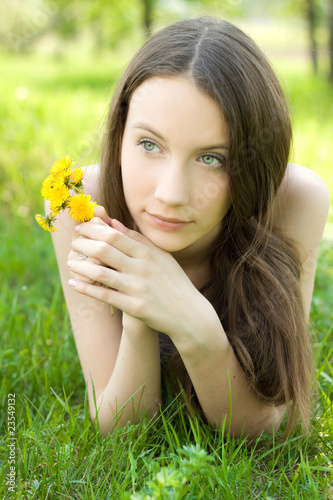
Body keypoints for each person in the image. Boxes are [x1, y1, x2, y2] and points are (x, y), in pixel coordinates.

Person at [48, 17, 330, 439]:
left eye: (212, 158)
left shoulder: (292, 200)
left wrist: (194, 324)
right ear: (120, 133)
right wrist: (141, 307)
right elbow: (119, 428)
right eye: (149, 145)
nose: (171, 194)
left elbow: (274, 429)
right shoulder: (80, 199)